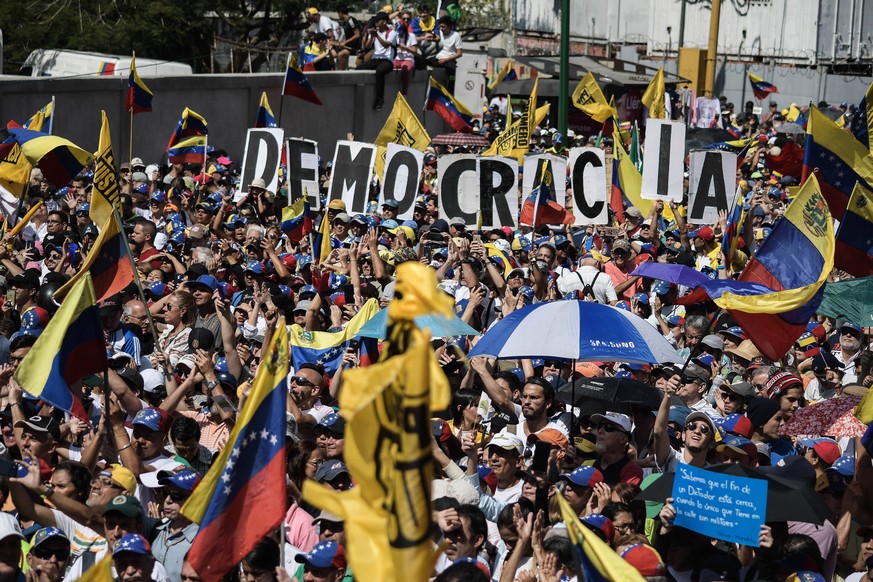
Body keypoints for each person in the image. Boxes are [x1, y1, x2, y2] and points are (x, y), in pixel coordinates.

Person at [357, 12, 396, 110]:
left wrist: (377, 36)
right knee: (359, 68)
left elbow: (387, 45)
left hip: (387, 60)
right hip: (376, 58)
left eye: (377, 21)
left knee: (380, 71)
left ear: (384, 22)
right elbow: (367, 47)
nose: (376, 22)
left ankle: (380, 99)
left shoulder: (391, 32)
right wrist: (372, 36)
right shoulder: (375, 32)